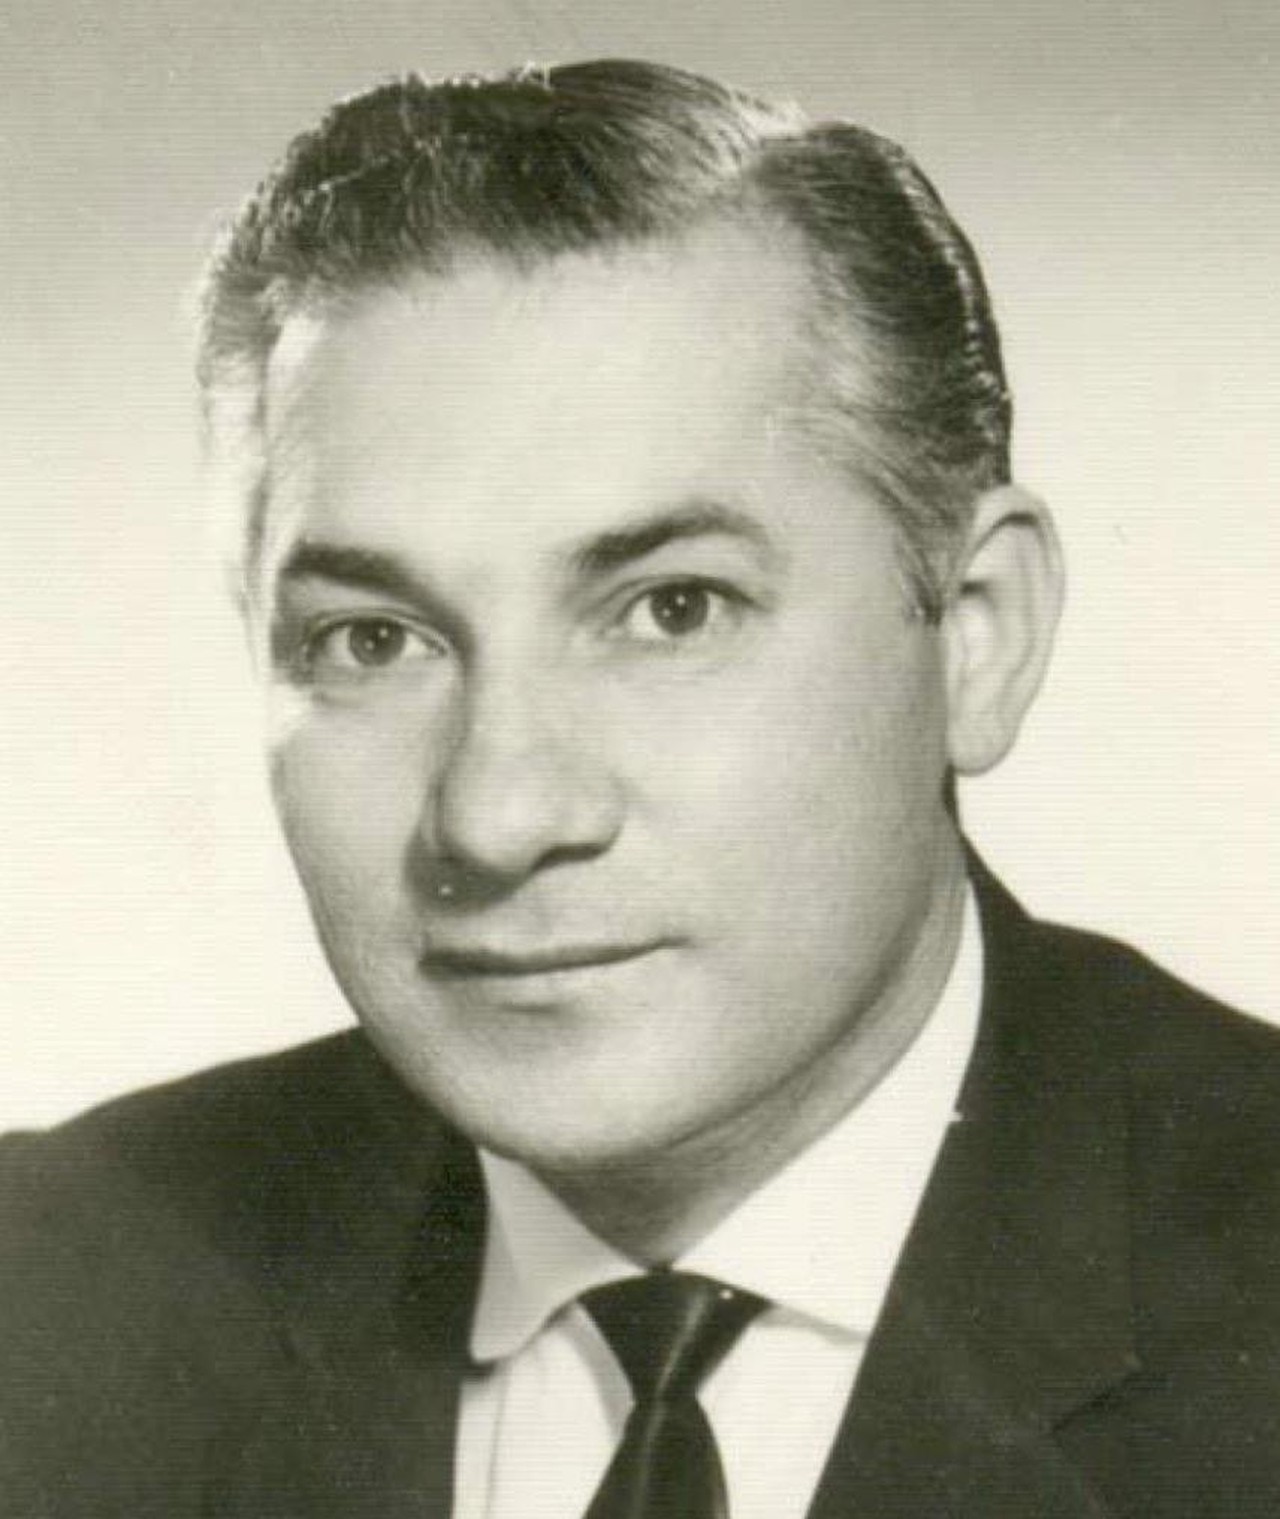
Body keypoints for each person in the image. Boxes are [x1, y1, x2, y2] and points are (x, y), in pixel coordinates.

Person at [1, 58, 1277, 1519]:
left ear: (976, 639)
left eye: (673, 611)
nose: (498, 817)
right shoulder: (50, 1290)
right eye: (374, 640)